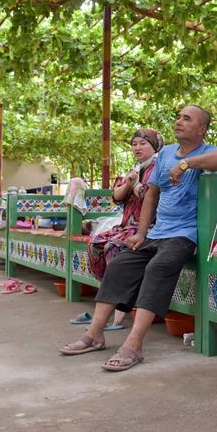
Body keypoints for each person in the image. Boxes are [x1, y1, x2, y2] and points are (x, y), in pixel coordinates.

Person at [60, 105, 217, 371]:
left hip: (184, 235)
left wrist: (187, 164)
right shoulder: (163, 155)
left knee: (158, 267)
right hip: (157, 233)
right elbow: (151, 195)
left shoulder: (206, 151)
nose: (179, 122)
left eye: (187, 119)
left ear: (201, 129)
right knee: (119, 264)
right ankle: (94, 334)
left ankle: (133, 344)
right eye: (178, 117)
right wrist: (141, 233)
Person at [84, 128, 164, 330]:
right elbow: (117, 196)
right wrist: (130, 183)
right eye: (134, 144)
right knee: (95, 243)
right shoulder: (135, 169)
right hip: (126, 225)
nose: (137, 147)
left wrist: (135, 185)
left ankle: (119, 313)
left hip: (148, 226)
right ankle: (107, 301)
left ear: (154, 146)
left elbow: (149, 195)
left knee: (114, 248)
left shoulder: (158, 167)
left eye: (143, 143)